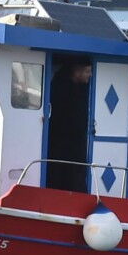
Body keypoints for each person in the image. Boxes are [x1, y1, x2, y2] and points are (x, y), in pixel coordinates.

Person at [44, 58, 94, 191]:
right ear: (77, 73)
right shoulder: (60, 89)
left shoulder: (79, 88)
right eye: (88, 71)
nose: (91, 75)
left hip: (73, 140)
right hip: (62, 141)